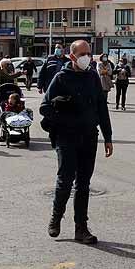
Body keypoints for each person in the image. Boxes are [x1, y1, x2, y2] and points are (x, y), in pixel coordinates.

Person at [40, 40, 113, 243]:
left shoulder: (92, 76)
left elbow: (101, 107)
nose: (87, 57)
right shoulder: (61, 78)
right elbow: (44, 107)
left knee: (83, 184)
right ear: (72, 56)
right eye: (82, 54)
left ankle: (81, 228)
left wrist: (108, 136)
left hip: (89, 136)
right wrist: (64, 115)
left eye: (89, 53)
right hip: (66, 137)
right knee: (65, 181)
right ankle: (56, 218)